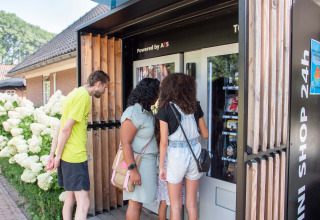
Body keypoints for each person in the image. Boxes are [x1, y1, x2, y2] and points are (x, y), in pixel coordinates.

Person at [45, 70, 109, 220]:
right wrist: (57, 156)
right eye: (105, 87)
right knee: (84, 202)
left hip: (67, 157)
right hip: (75, 157)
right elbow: (66, 128)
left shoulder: (73, 94)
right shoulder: (83, 97)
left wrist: (53, 154)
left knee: (70, 200)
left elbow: (59, 126)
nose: (104, 91)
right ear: (98, 84)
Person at [156, 73, 209, 220]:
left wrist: (161, 167)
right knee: (191, 204)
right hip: (194, 153)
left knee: (175, 205)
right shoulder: (195, 106)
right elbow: (205, 134)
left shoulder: (165, 109)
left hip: (176, 155)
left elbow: (164, 142)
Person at [120, 78, 160, 220]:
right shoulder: (133, 112)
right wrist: (133, 170)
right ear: (150, 93)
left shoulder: (146, 111)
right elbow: (125, 143)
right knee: (135, 203)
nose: (158, 97)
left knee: (139, 201)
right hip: (139, 164)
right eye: (157, 93)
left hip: (148, 164)